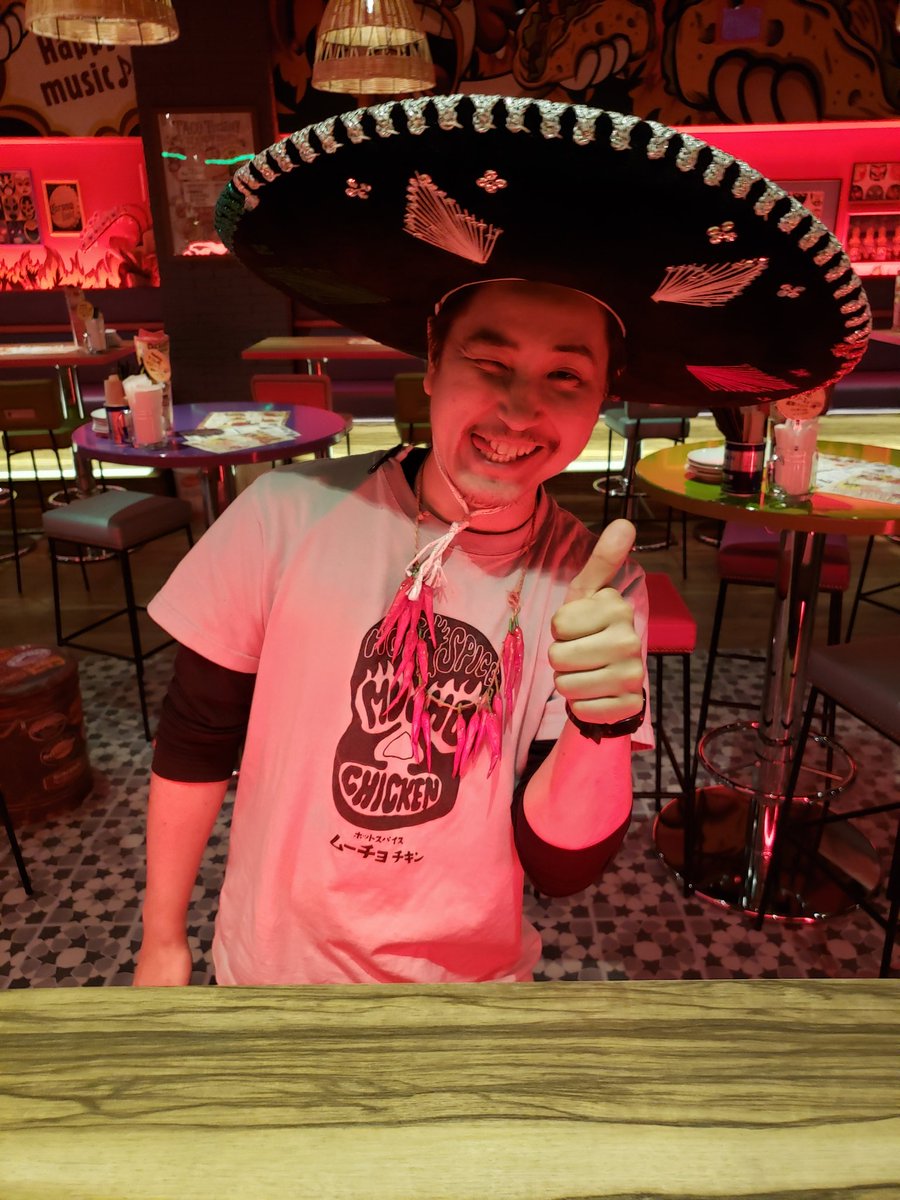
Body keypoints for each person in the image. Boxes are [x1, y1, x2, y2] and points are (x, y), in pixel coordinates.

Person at [134, 94, 868, 987]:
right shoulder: (284, 514)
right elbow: (196, 737)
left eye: (566, 376)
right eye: (489, 362)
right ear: (433, 359)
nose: (520, 410)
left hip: (474, 997)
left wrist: (603, 722)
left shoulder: (594, 586)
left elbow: (561, 870)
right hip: (271, 979)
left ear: (602, 399)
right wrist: (162, 939)